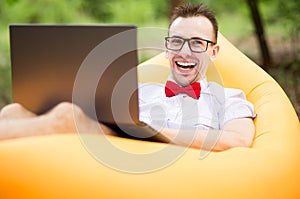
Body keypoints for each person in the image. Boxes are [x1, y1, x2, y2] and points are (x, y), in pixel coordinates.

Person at [0, 3, 255, 151]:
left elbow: (238, 140)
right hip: (105, 137)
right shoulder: (139, 90)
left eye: (197, 43)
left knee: (67, 116)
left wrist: (151, 129)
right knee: (14, 110)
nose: (184, 51)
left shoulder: (230, 98)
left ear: (214, 51)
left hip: (133, 149)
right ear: (166, 49)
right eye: (177, 41)